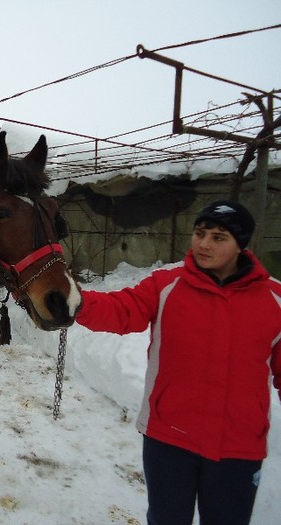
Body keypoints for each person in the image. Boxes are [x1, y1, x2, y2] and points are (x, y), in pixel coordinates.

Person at [76, 200, 281, 525]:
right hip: (169, 439)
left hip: (239, 448)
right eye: (199, 233)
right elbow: (122, 309)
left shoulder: (274, 301)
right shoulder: (167, 285)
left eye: (218, 237)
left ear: (241, 245)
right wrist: (76, 301)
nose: (203, 243)